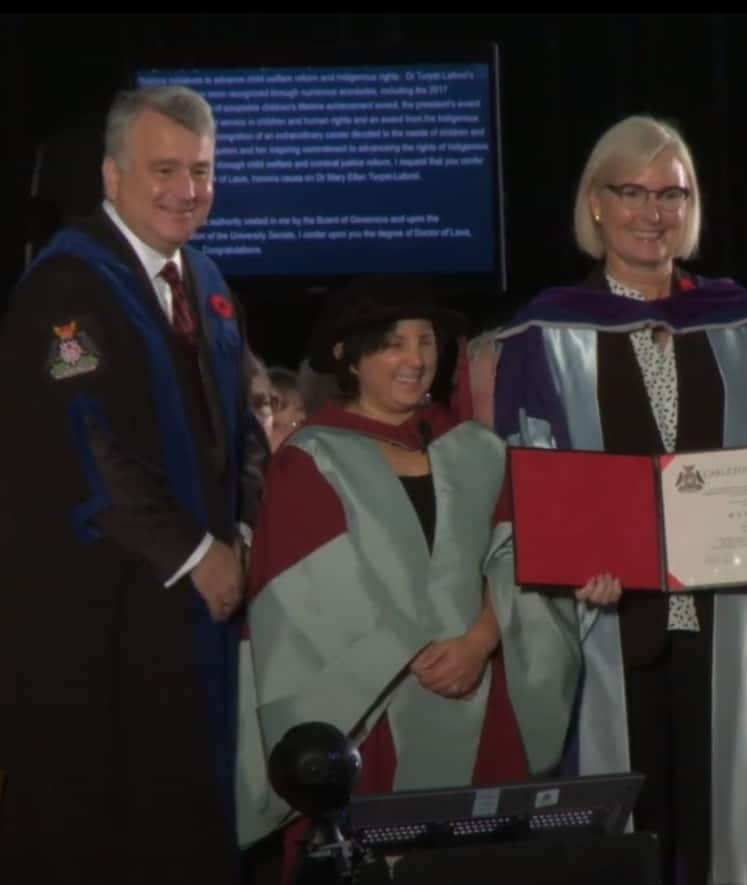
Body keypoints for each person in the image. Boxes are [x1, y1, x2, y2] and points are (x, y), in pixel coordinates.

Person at [494, 114, 747, 885]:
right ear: (596, 204)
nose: (653, 211)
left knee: (733, 826)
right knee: (624, 838)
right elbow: (528, 468)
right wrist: (571, 563)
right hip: (606, 625)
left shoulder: (744, 322)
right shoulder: (547, 332)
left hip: (734, 620)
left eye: (672, 193)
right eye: (632, 191)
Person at [0, 84, 266, 883]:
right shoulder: (67, 285)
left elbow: (247, 427)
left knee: (188, 819)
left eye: (202, 170)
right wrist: (201, 555)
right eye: (164, 170)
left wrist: (245, 536)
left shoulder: (208, 280)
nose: (187, 190)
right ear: (113, 177)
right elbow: (86, 449)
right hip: (101, 618)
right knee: (107, 827)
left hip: (193, 618)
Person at [235, 278, 581, 881]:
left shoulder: (478, 449)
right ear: (349, 355)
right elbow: (306, 600)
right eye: (393, 344)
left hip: (484, 685)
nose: (416, 359)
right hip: (374, 708)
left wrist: (478, 640)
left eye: (427, 342)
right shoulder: (311, 459)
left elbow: (518, 556)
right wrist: (417, 651)